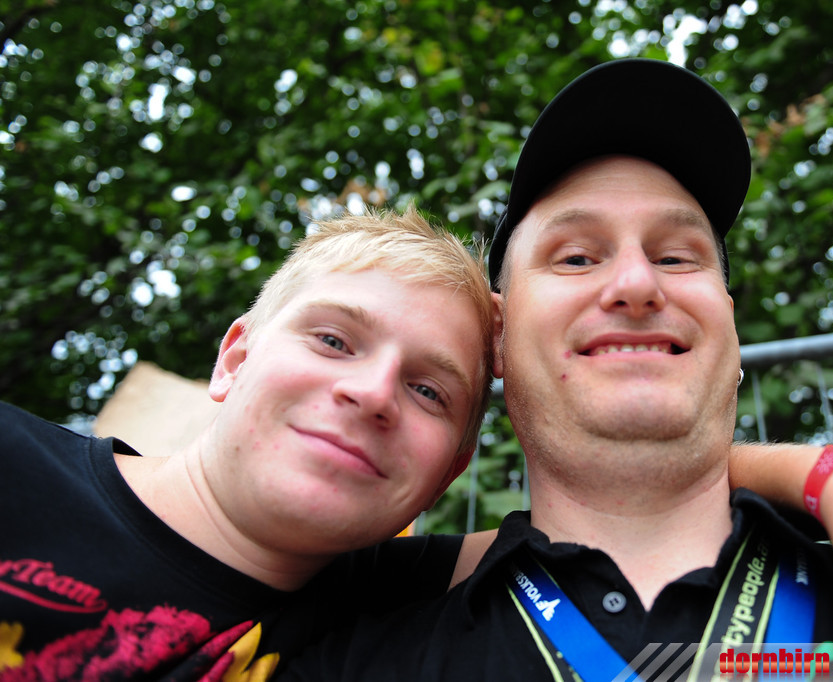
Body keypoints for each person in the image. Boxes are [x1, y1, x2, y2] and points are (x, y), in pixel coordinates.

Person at [278, 59, 833, 681]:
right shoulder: (342, 648)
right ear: (498, 340)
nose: (636, 284)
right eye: (577, 257)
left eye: (676, 256)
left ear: (729, 325)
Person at [0, 208, 496, 680]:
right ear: (234, 360)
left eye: (428, 392)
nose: (373, 394)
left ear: (448, 475)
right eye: (332, 341)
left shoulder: (401, 608)